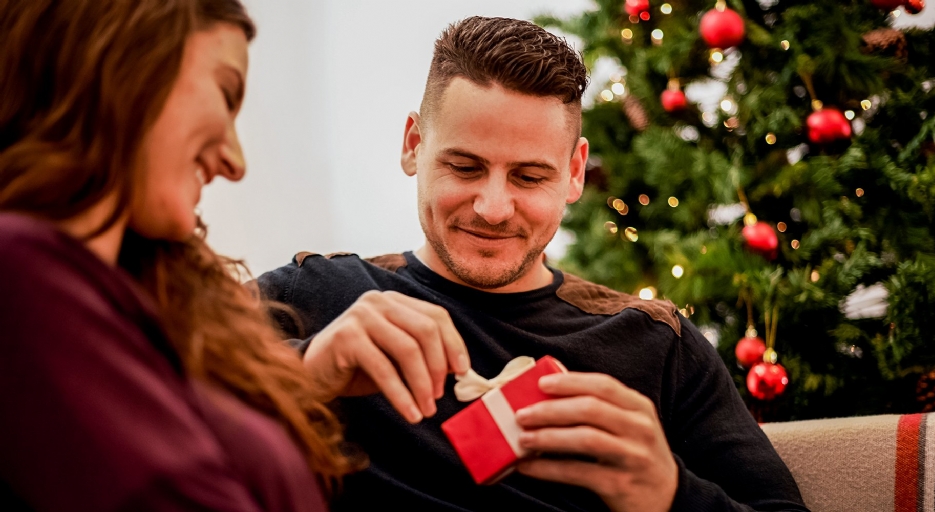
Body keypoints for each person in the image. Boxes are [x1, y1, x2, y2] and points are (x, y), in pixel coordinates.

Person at [258, 16, 808, 512]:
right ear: (413, 145)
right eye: (465, 167)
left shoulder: (657, 343)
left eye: (529, 177)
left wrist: (669, 494)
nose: (493, 209)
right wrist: (303, 373)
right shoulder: (319, 296)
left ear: (574, 173)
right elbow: (170, 407)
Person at [0, 1, 351, 510]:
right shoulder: (21, 275)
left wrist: (309, 371)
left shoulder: (143, 300)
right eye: (226, 95)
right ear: (125, 59)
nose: (236, 161)